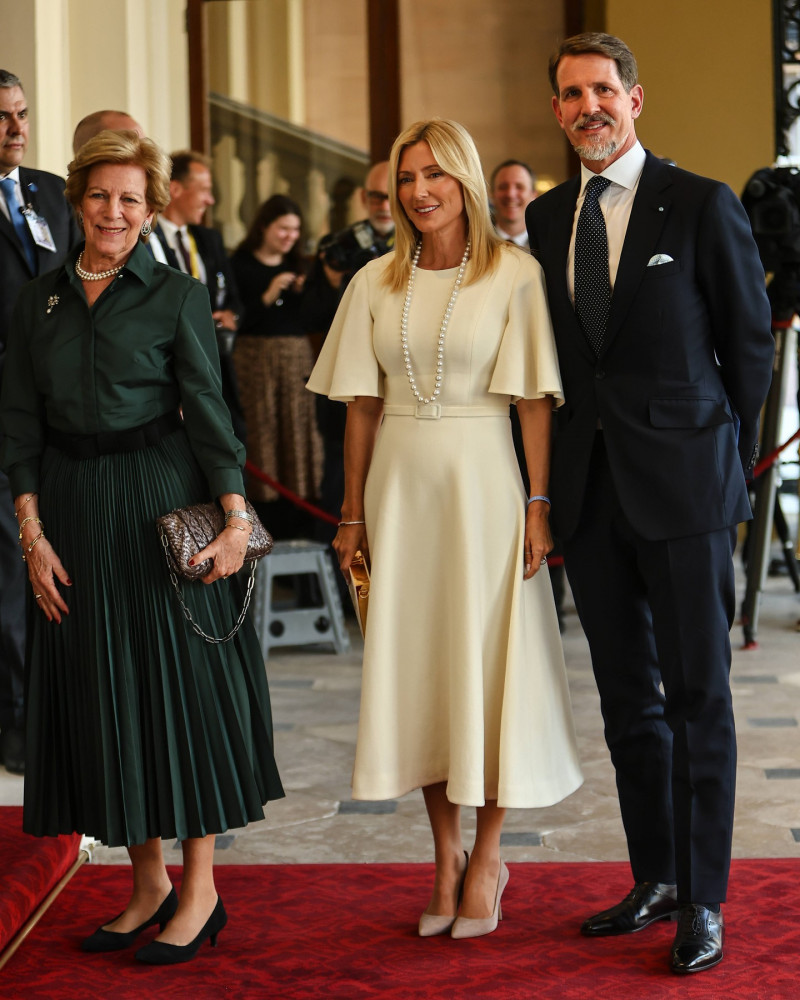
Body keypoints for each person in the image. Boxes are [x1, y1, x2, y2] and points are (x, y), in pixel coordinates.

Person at [0, 130, 283, 965]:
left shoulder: (175, 294)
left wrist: (235, 521)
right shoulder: (37, 301)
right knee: (104, 695)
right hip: (74, 511)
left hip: (159, 501)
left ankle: (200, 888)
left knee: (178, 694)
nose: (113, 211)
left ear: (151, 208)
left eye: (130, 198)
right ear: (74, 202)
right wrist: (31, 532)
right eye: (98, 195)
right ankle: (148, 883)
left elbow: (208, 408)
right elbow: (17, 421)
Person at [526, 33, 774, 974]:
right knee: (629, 702)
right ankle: (657, 876)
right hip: (591, 500)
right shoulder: (548, 222)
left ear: (635, 98)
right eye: (570, 94)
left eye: (602, 89)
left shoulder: (701, 204)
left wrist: (726, 465)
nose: (587, 106)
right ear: (557, 111)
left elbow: (750, 349)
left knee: (700, 699)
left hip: (688, 492)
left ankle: (704, 900)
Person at [308, 118, 582, 940]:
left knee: (486, 672)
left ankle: (490, 855)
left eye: (434, 174)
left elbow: (534, 402)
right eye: (406, 178)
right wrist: (351, 512)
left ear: (463, 179)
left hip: (485, 489)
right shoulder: (372, 282)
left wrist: (538, 505)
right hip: (399, 490)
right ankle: (445, 855)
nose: (419, 191)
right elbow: (360, 406)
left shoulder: (517, 275)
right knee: (422, 671)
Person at [0, 69, 80, 775]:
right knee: (12, 569)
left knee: (65, 556)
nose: (16, 129)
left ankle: (61, 713)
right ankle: (21, 724)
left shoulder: (50, 192)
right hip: (5, 414)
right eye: (2, 118)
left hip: (68, 412)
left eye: (21, 114)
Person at [303, 161, 395, 542]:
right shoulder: (337, 247)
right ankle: (340, 591)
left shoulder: (422, 244)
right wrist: (335, 283)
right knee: (339, 485)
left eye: (391, 194)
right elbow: (312, 315)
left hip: (401, 389)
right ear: (363, 198)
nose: (384, 205)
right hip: (349, 387)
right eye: (376, 196)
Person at [231, 194, 322, 538]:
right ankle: (261, 528)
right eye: (283, 228)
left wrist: (302, 291)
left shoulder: (302, 266)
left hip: (296, 362)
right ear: (265, 227)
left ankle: (300, 527)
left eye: (295, 230)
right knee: (262, 438)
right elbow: (238, 318)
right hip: (255, 363)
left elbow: (314, 317)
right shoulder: (240, 264)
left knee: (297, 438)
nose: (290, 236)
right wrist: (268, 293)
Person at [158, 150, 246, 444]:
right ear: (175, 189)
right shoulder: (148, 239)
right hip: (172, 372)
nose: (210, 200)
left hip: (217, 364)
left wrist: (230, 317)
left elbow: (234, 299)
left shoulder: (210, 240)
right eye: (205, 190)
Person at [490, 159, 537, 247]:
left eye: (519, 187)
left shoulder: (548, 245)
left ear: (533, 195)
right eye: (503, 187)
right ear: (492, 194)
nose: (511, 194)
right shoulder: (474, 243)